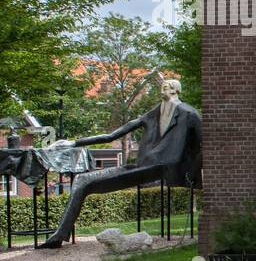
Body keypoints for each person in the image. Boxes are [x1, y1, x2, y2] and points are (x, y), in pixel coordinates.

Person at [38, 77, 201, 249]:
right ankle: (59, 236)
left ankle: (58, 237)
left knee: (83, 181)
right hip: (144, 166)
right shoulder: (153, 114)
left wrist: (192, 172)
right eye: (163, 86)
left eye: (167, 86)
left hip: (164, 166)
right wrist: (73, 143)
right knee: (81, 180)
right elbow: (113, 135)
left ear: (176, 90)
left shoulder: (189, 113)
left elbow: (207, 145)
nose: (163, 88)